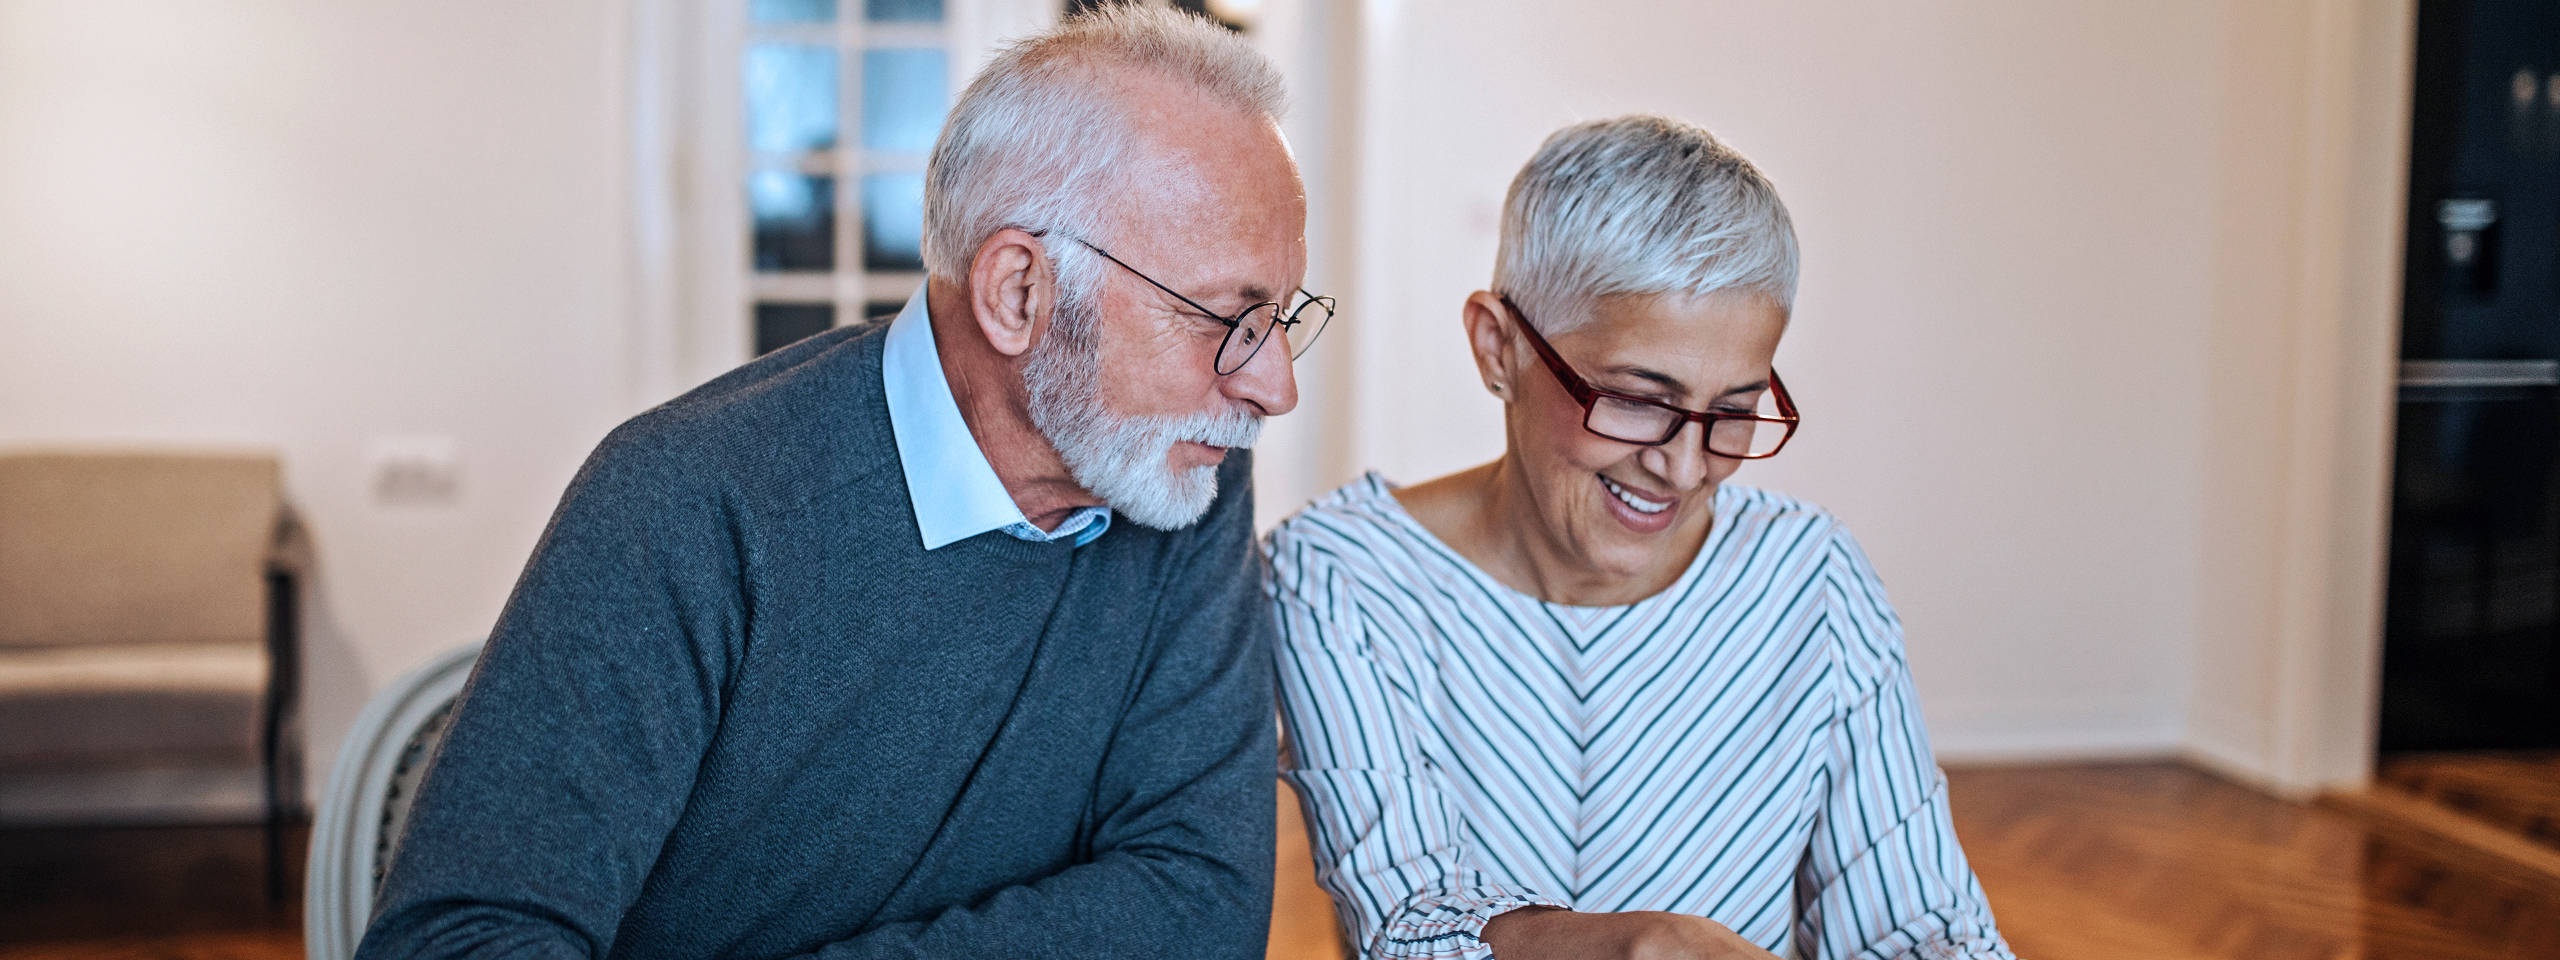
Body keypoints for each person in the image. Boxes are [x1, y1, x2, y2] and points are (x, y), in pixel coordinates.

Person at [359, 7, 1333, 959]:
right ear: (1017, 293)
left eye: (1282, 317)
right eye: (1223, 318)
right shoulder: (684, 505)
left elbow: (1200, 901)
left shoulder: (1178, 477)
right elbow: (460, 939)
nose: (1272, 386)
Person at [1267, 115, 2013, 960]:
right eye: (1638, 398)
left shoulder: (1812, 580)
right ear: (1498, 348)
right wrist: (1643, 943)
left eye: (1732, 410)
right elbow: (1406, 921)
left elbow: (1919, 926)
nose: (1686, 466)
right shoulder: (1340, 579)